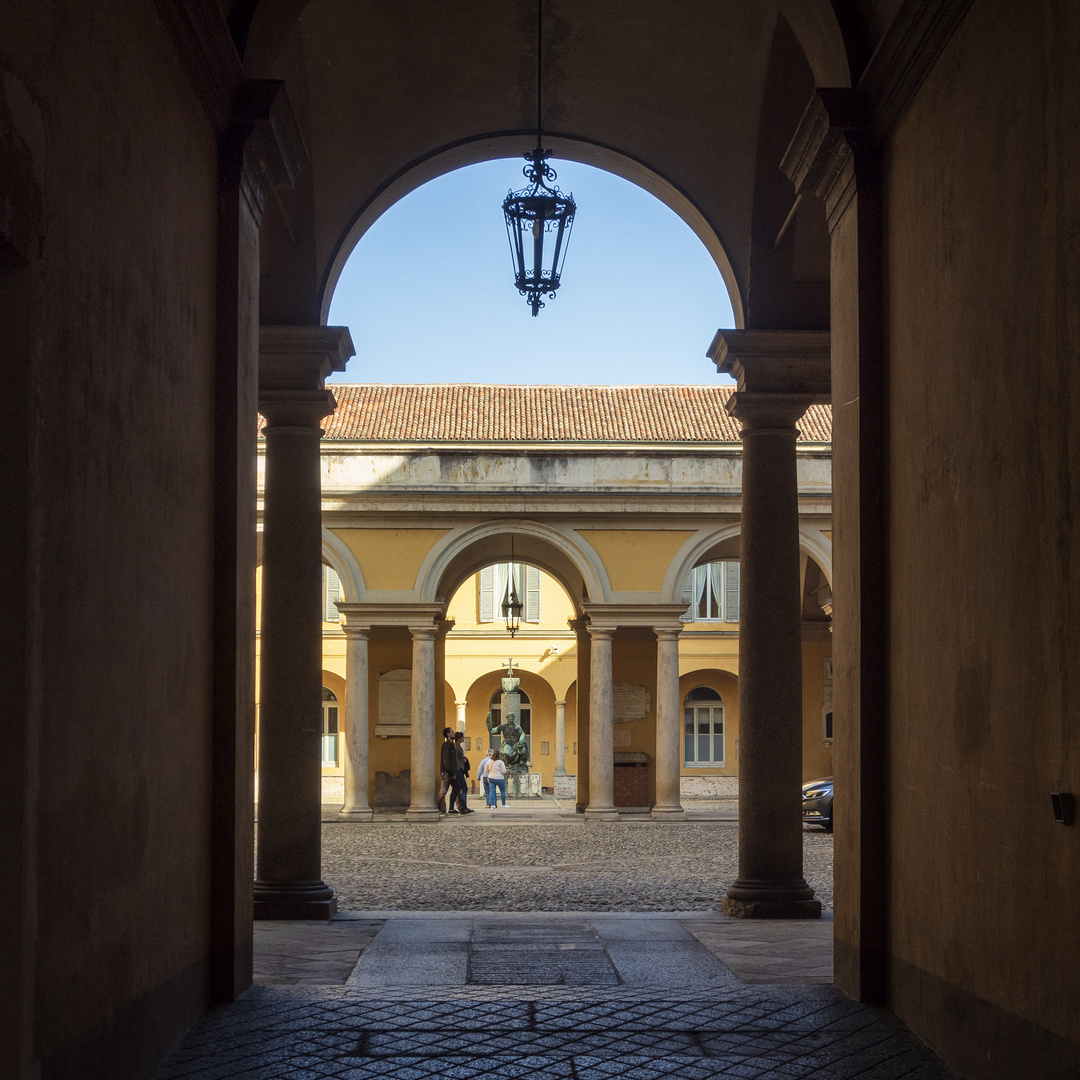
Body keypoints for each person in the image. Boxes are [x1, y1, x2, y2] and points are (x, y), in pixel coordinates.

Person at [453, 730, 474, 814]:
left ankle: (462, 807)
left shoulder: (458, 746)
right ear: (459, 738)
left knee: (460, 789)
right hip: (459, 770)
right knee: (464, 788)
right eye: (462, 737)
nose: (463, 738)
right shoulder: (456, 747)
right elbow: (455, 758)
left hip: (459, 769)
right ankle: (464, 807)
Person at [437, 727, 457, 814]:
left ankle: (459, 808)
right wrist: (451, 773)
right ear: (448, 734)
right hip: (447, 773)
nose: (454, 733)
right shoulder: (446, 746)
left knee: (457, 789)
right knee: (443, 791)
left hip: (451, 772)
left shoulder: (451, 745)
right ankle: (436, 807)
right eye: (452, 732)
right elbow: (446, 760)